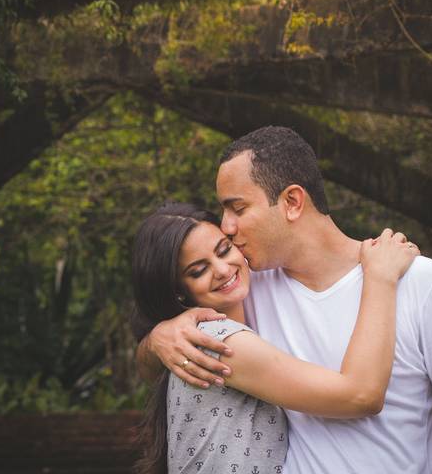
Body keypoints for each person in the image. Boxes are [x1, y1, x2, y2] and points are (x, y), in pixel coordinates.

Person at [136, 126, 432, 473]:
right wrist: (159, 338)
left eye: (237, 208)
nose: (225, 227)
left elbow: (361, 394)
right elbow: (160, 369)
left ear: (292, 202)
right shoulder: (243, 289)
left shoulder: (421, 282)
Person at [130, 201, 417, 474]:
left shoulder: (192, 336)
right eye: (199, 270)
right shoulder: (218, 340)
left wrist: (155, 338)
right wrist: (380, 276)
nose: (222, 269)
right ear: (178, 291)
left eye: (223, 249)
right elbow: (360, 395)